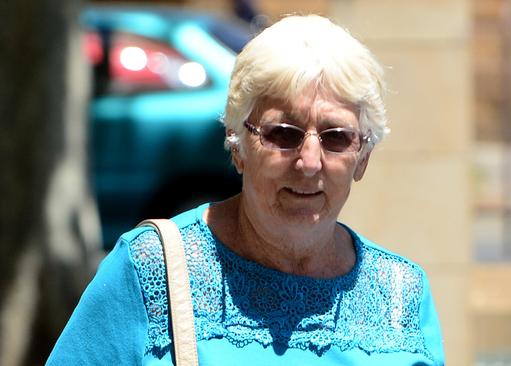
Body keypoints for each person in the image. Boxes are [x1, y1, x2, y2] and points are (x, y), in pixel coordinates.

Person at [47, 14, 445, 365]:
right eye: (282, 134)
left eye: (336, 137)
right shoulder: (151, 271)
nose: (309, 161)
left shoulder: (402, 295)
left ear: (363, 158)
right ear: (237, 146)